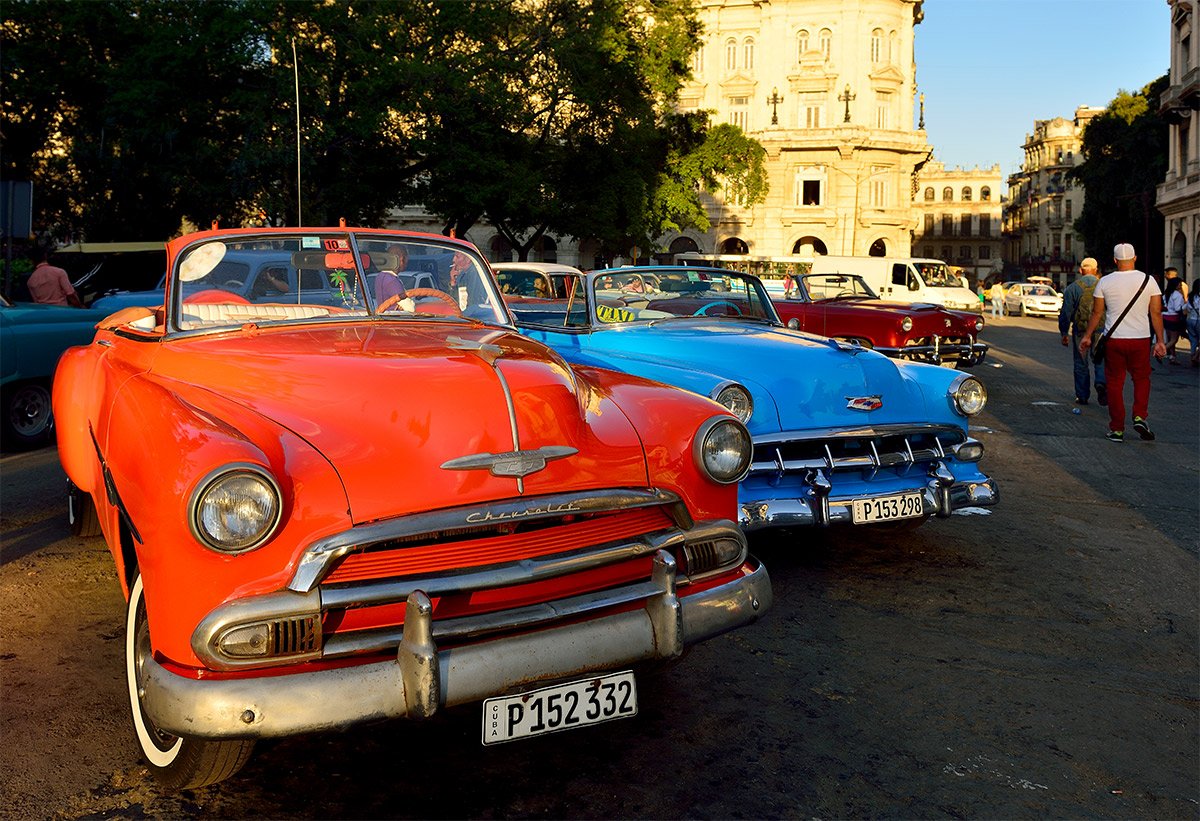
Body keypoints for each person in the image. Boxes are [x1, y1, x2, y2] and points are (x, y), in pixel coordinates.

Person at [1079, 243, 1166, 443]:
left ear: (1115, 260)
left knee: (1115, 383)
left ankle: (1117, 429)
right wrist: (1160, 341)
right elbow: (1156, 313)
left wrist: (1087, 336)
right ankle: (1139, 416)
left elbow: (1097, 313)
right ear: (1135, 258)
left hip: (1114, 339)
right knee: (1142, 378)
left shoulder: (1105, 282)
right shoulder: (1149, 280)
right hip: (1140, 339)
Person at [1058, 257, 1106, 406]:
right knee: (1100, 359)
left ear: (1080, 270)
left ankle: (1082, 395)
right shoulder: (1104, 286)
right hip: (1101, 329)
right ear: (1096, 270)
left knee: (1080, 363)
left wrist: (1064, 333)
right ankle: (1101, 382)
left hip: (1080, 330)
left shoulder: (1073, 288)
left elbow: (1066, 313)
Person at [1161, 276, 1186, 364]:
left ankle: (1172, 356)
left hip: (1166, 316)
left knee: (1169, 338)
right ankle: (1160, 352)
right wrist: (1185, 305)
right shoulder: (1177, 295)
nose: (1180, 285)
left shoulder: (1166, 294)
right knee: (1174, 339)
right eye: (1179, 283)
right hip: (1174, 317)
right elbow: (1177, 308)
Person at [1187, 278, 1200, 368]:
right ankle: (1195, 357)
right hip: (1198, 320)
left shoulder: (1191, 296)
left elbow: (1187, 308)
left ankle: (1193, 357)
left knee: (1193, 340)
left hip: (1190, 320)